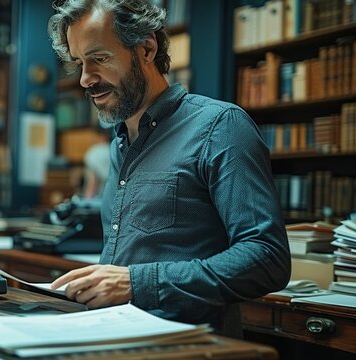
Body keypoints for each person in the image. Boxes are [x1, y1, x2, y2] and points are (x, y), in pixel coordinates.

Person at [47, 0, 291, 337]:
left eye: (99, 59)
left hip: (190, 346)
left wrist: (137, 282)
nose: (86, 79)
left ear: (146, 48)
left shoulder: (221, 127)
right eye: (79, 63)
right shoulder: (119, 144)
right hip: (112, 337)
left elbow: (267, 259)